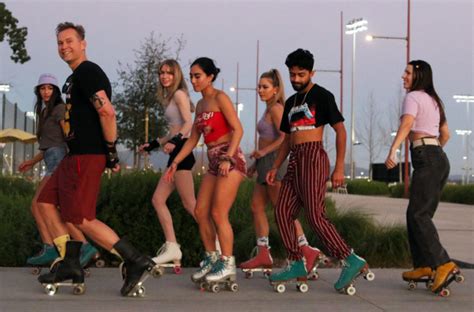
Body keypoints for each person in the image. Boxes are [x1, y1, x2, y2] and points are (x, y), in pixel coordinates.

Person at [36, 22, 156, 297]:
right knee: (44, 203)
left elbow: (108, 113)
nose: (64, 46)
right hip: (74, 154)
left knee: (83, 219)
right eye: (60, 43)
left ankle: (135, 260)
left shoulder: (88, 72)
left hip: (88, 155)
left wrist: (111, 151)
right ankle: (71, 263)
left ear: (83, 43)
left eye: (69, 41)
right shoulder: (75, 77)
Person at [268, 49, 370, 292]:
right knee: (282, 211)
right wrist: (275, 166)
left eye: (301, 74)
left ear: (311, 73)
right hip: (294, 159)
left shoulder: (322, 96)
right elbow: (286, 139)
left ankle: (350, 258)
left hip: (314, 157)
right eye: (292, 74)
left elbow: (341, 131)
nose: (295, 79)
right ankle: (296, 262)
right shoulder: (291, 102)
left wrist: (338, 168)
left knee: (315, 215)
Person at [164, 57, 246, 286]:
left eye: (197, 75)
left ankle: (228, 264)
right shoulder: (199, 105)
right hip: (212, 160)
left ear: (210, 76)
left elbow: (238, 130)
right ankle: (212, 259)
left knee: (219, 213)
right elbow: (193, 139)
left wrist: (229, 157)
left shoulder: (220, 98)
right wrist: (175, 162)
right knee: (200, 211)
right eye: (191, 76)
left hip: (229, 158)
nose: (193, 80)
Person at [239, 69, 322, 276]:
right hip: (264, 163)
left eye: (265, 87)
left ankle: (305, 250)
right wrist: (255, 164)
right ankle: (263, 253)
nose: (260, 90)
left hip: (275, 163)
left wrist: (264, 153)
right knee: (256, 207)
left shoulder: (276, 109)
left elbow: (285, 137)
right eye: (259, 86)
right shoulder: (268, 109)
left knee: (282, 210)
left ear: (276, 89)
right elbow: (266, 139)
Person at [385, 60, 457, 294]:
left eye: (406, 73)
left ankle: (443, 263)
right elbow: (446, 134)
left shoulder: (413, 97)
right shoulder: (434, 101)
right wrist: (434, 153)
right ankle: (425, 265)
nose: (402, 76)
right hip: (437, 157)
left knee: (418, 214)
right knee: (416, 214)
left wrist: (394, 149)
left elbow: (407, 123)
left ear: (418, 75)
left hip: (426, 157)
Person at [20, 74, 99, 271]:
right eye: (42, 88)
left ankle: (71, 247)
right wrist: (31, 162)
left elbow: (68, 135)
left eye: (50, 88)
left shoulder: (59, 109)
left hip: (59, 161)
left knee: (43, 205)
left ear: (56, 91)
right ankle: (57, 247)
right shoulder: (46, 111)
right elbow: (48, 145)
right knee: (42, 207)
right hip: (50, 158)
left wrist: (76, 159)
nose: (46, 92)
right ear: (38, 91)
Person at [139, 59, 196, 270]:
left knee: (190, 205)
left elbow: (189, 124)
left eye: (169, 73)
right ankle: (172, 247)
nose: (164, 76)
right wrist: (153, 144)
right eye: (162, 73)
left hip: (182, 153)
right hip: (175, 151)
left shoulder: (180, 94)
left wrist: (174, 142)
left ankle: (217, 245)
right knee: (158, 199)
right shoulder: (170, 97)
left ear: (177, 75)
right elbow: (174, 129)